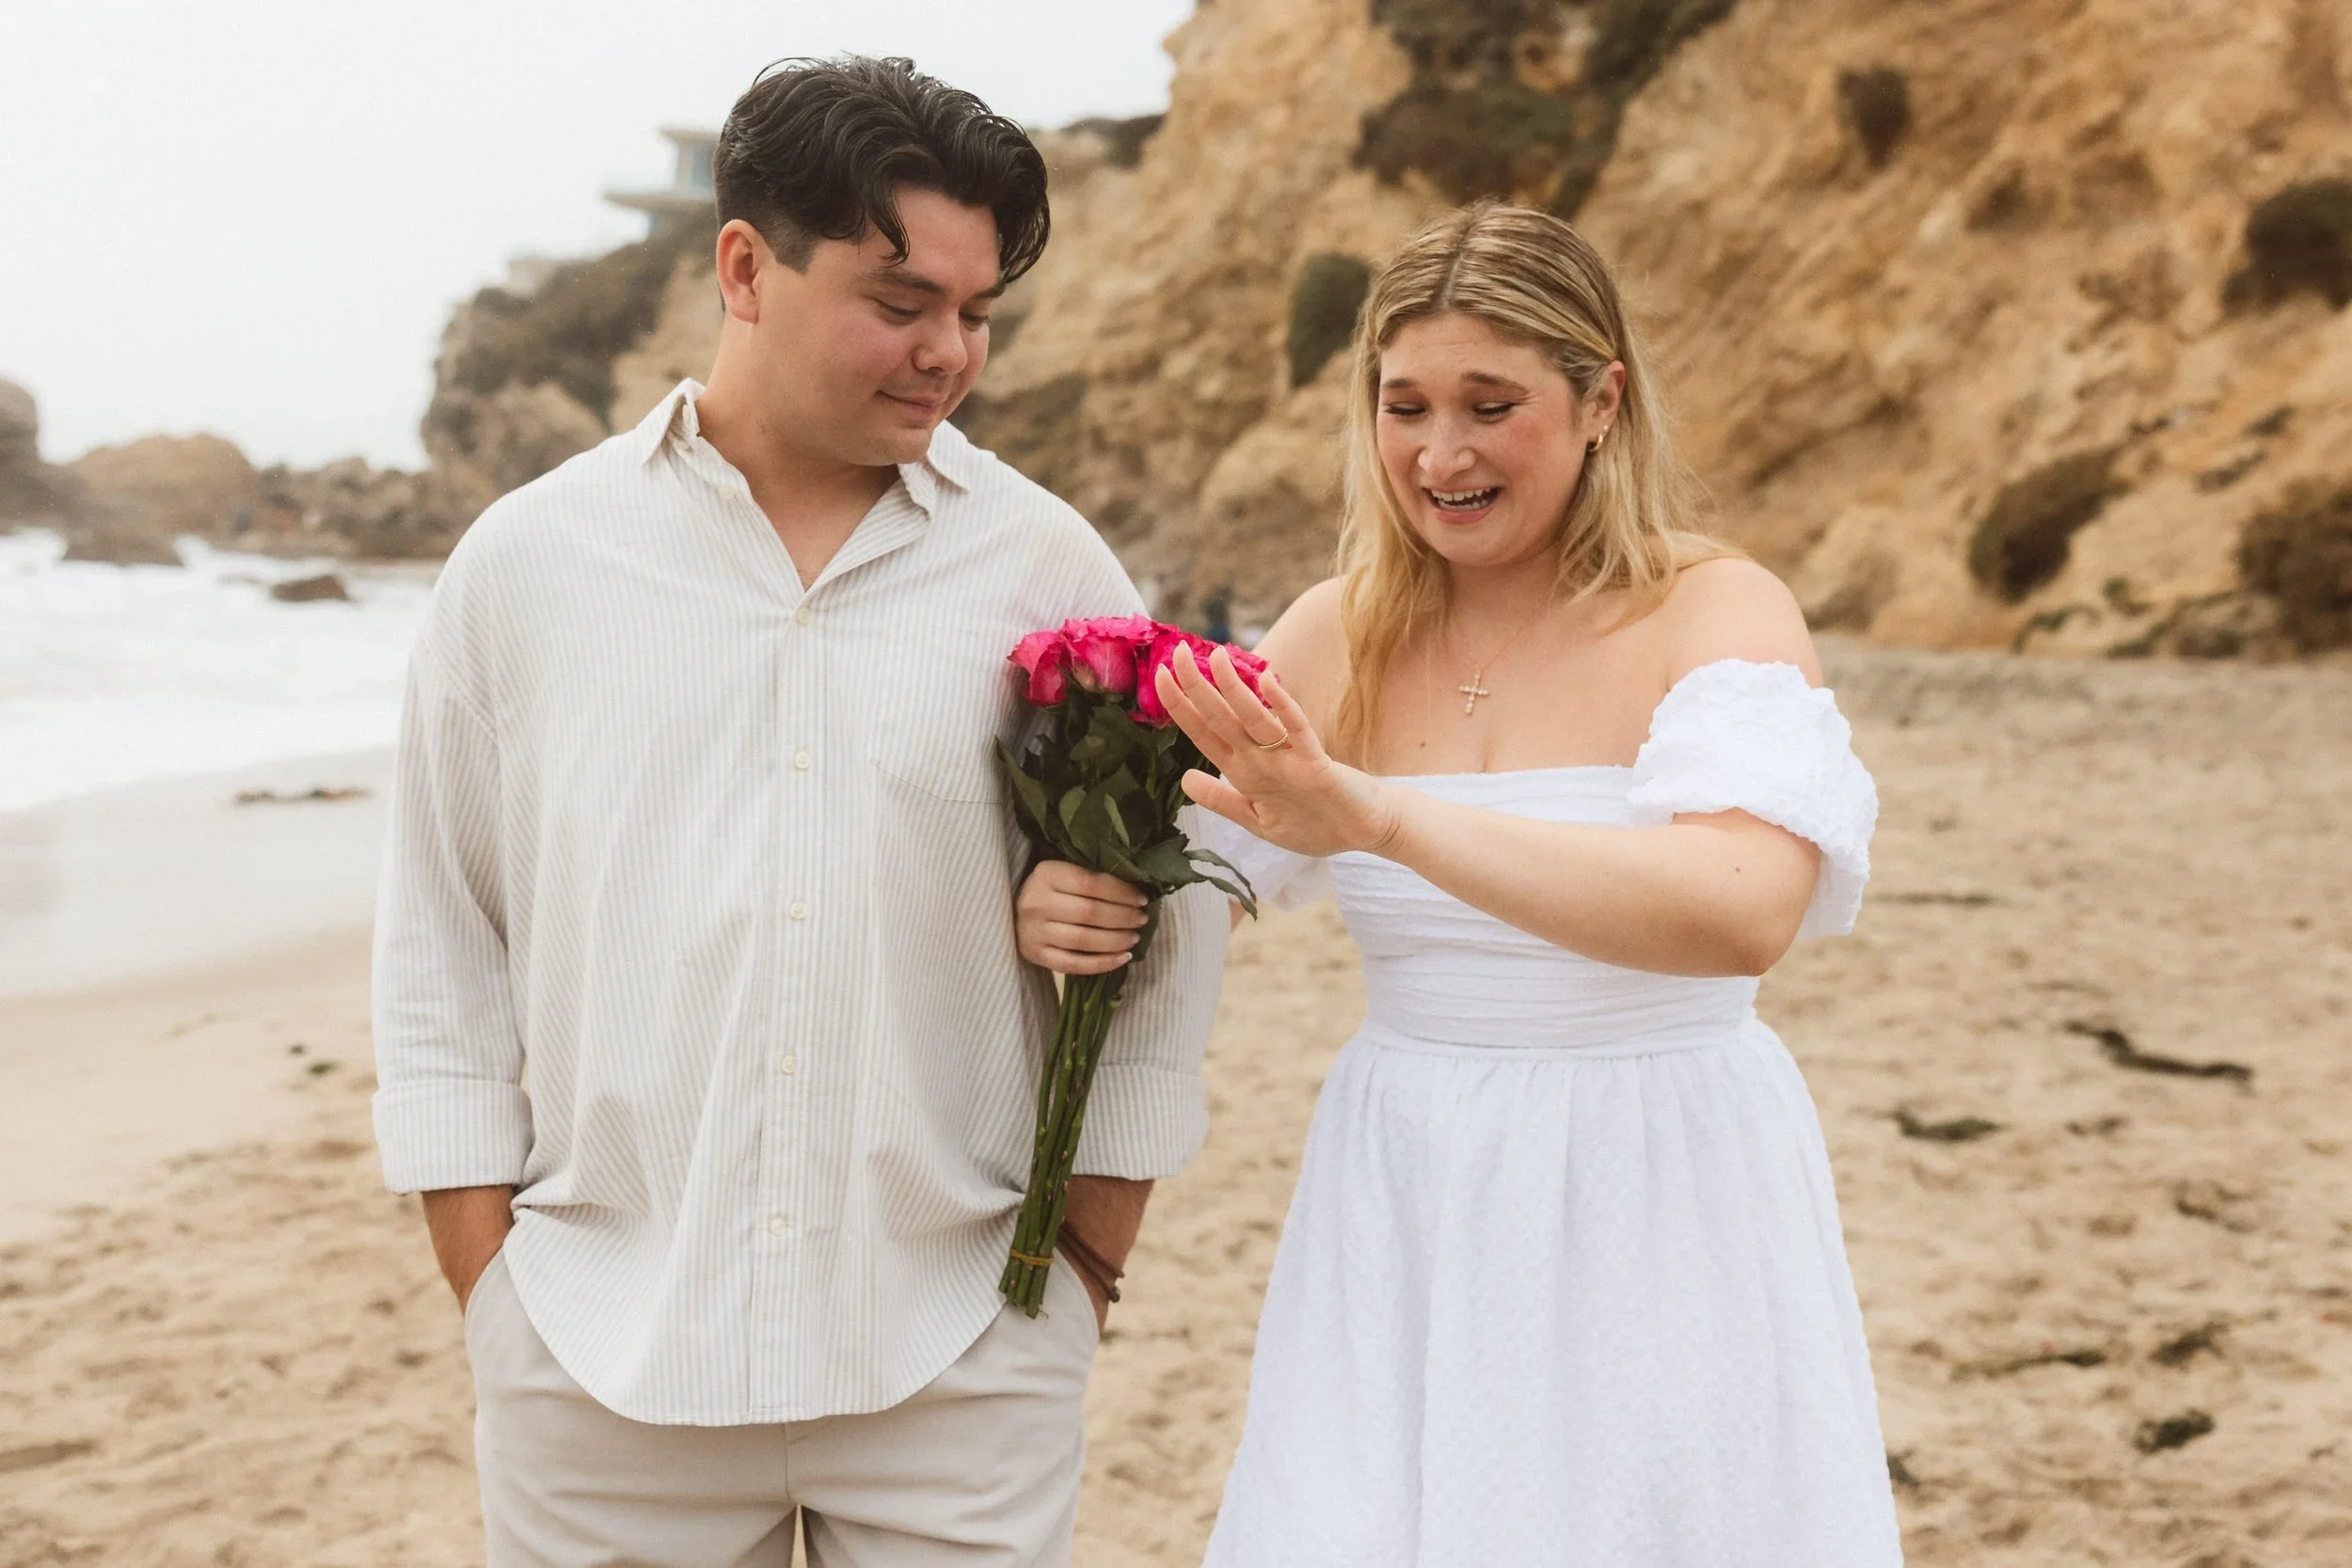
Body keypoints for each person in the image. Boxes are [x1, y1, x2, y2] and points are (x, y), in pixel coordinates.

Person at [372, 55, 1222, 1568]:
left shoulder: (1050, 571)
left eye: (975, 313)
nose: (948, 352)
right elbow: (441, 946)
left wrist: (1083, 1270)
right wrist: (492, 1290)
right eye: (901, 303)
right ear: (746, 268)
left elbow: (1165, 946)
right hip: (597, 1367)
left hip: (959, 1357)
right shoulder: (527, 567)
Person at [1020, 201, 1904, 1565]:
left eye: (1494, 404)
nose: (1442, 452)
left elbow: (1739, 911)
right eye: (1405, 403)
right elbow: (1179, 875)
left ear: (1602, 398)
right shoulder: (1337, 633)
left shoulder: (1713, 609)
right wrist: (1066, 902)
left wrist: (1376, 815)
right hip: (1407, 1173)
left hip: (1660, 1172)